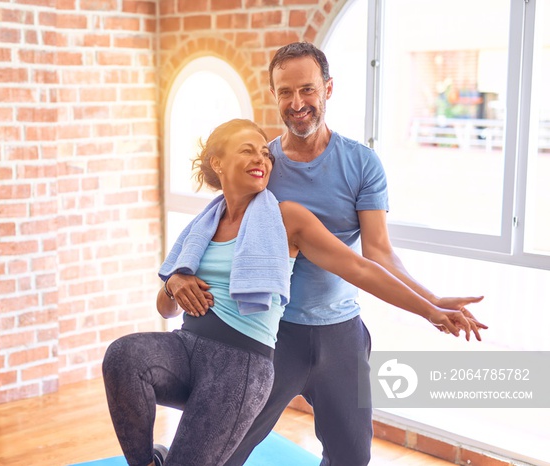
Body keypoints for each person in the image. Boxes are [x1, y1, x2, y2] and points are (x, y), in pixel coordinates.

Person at [165, 43, 487, 466]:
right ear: (274, 94)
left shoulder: (361, 164)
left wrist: (431, 302)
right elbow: (214, 227)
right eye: (284, 92)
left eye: (307, 90)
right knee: (226, 447)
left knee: (352, 458)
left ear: (328, 89)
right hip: (271, 335)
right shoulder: (262, 164)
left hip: (341, 335)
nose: (296, 103)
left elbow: (375, 255)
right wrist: (177, 276)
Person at [103, 119, 483, 466]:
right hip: (190, 346)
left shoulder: (285, 218)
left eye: (265, 153)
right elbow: (165, 308)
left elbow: (362, 266)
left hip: (245, 360)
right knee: (123, 356)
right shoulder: (202, 226)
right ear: (217, 163)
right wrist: (174, 283)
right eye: (247, 150)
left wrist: (430, 308)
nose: (262, 158)